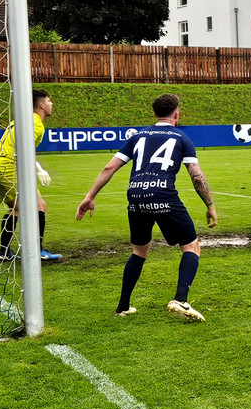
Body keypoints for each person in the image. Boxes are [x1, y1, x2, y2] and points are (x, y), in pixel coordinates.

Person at [75, 94, 216, 321]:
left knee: (140, 249)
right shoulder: (182, 138)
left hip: (135, 195)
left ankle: (123, 307)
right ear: (176, 114)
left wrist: (90, 196)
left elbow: (109, 168)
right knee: (191, 246)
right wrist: (210, 205)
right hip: (163, 194)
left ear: (154, 114)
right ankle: (180, 299)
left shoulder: (138, 136)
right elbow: (196, 175)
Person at [0, 88, 62, 262]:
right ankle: (38, 251)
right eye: (49, 101)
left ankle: (4, 252)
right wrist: (38, 169)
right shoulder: (34, 122)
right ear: (41, 105)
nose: (52, 104)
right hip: (6, 166)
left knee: (17, 208)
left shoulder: (23, 119)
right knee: (39, 206)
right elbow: (23, 148)